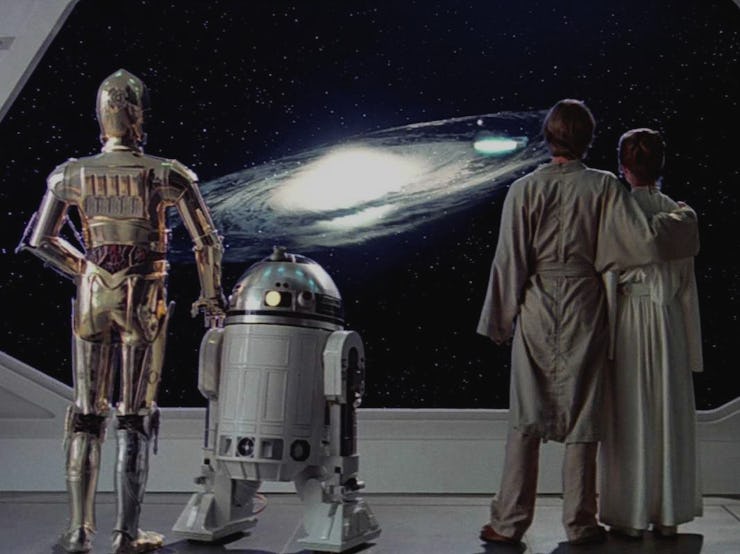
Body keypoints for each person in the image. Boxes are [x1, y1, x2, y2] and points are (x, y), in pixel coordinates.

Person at [17, 69, 227, 553]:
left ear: (101, 116)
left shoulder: (72, 173)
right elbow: (207, 242)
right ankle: (125, 534)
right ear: (139, 116)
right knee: (133, 416)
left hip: (94, 298)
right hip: (144, 298)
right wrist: (211, 296)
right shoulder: (167, 173)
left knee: (86, 414)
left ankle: (78, 531)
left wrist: (88, 270)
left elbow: (40, 240)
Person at [476, 99, 700, 546]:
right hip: (584, 304)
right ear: (588, 139)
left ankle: (509, 522)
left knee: (526, 417)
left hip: (537, 305)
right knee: (584, 417)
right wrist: (685, 218)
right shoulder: (604, 187)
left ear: (549, 137)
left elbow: (509, 260)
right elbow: (642, 242)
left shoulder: (522, 189)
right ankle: (580, 523)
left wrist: (500, 322)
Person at [598, 128, 703, 538]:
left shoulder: (617, 214)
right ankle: (668, 514)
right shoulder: (681, 216)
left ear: (623, 168)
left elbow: (606, 276)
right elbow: (687, 286)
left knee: (630, 414)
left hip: (628, 320)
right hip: (668, 320)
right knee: (667, 412)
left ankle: (630, 514)